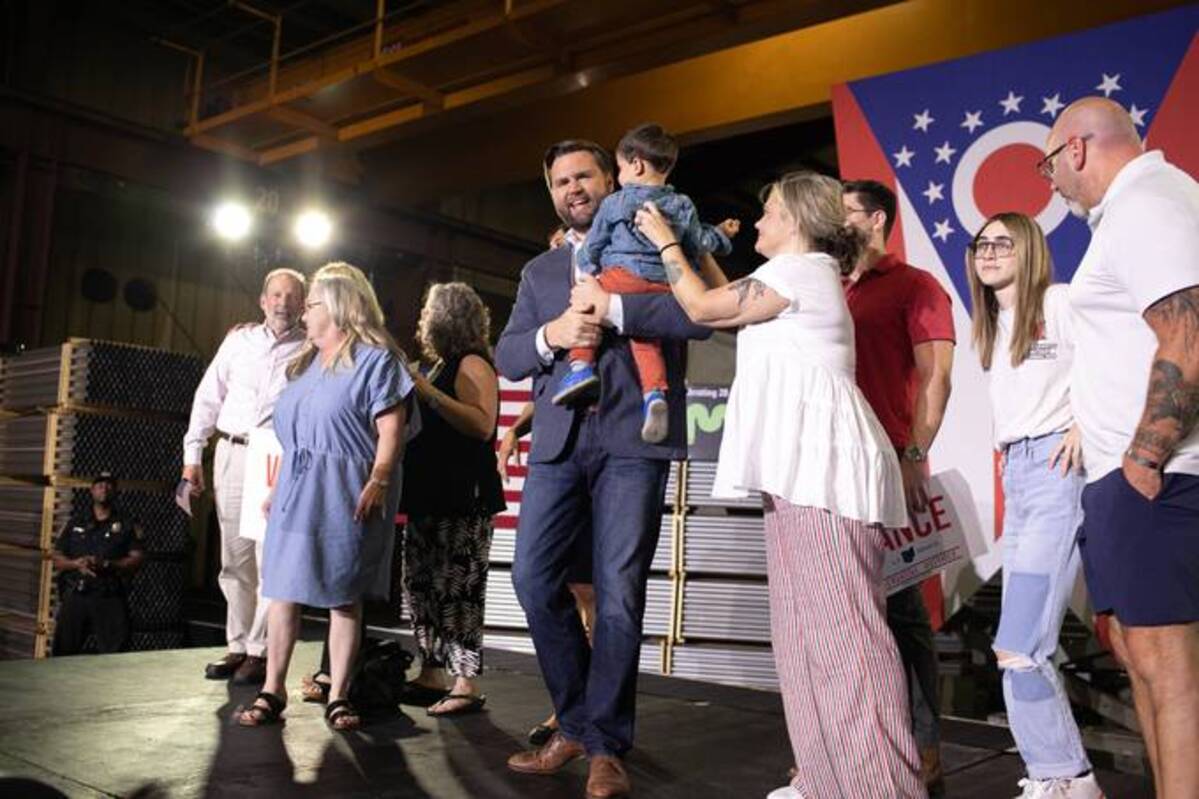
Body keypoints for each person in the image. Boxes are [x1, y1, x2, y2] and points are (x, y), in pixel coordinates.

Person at [634, 171, 924, 799]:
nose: (758, 221)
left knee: (846, 641)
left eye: (767, 210)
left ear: (794, 217)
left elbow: (705, 307)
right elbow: (724, 295)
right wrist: (693, 246)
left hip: (824, 476)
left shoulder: (801, 273)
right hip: (798, 476)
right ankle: (822, 779)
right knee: (802, 637)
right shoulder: (792, 278)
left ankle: (883, 789)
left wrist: (665, 242)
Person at [496, 139, 711, 799]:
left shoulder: (661, 236)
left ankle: (604, 747)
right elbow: (507, 354)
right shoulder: (539, 272)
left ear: (612, 176)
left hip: (631, 442)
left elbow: (697, 318)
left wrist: (615, 309)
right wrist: (549, 336)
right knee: (533, 580)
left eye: (583, 175)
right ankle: (579, 717)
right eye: (559, 180)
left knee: (618, 594)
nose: (572, 188)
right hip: (559, 443)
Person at [1045, 96, 1199, 799]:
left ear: (1075, 148)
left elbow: (1189, 334)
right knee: (1142, 658)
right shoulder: (1128, 214)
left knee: (1169, 669)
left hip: (1161, 476)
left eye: (1049, 162)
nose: (1049, 179)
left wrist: (1143, 456)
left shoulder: (1148, 202)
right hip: (1128, 478)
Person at [237, 262, 413, 732]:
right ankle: (272, 689)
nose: (303, 312)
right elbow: (295, 438)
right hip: (296, 488)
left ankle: (338, 693)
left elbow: (390, 430)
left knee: (343, 593)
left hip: (346, 490)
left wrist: (377, 479)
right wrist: (276, 489)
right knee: (283, 590)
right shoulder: (305, 362)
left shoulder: (378, 361)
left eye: (311, 303)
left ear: (335, 308)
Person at [966, 212, 1104, 799]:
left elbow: (1124, 356)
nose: (989, 252)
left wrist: (1087, 424)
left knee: (1021, 645)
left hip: (1056, 469)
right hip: (1020, 474)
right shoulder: (993, 323)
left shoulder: (1064, 302)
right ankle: (1057, 775)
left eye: (1003, 243)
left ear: (1029, 251)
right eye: (982, 244)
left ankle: (1065, 778)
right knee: (1015, 646)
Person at [841, 179, 955, 793]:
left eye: (847, 212)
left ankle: (923, 743)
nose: (836, 222)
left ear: (876, 218)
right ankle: (852, 740)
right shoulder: (826, 283)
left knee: (904, 611)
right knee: (847, 611)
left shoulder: (916, 286)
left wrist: (914, 454)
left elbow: (938, 377)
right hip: (831, 471)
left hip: (891, 465)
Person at [553, 123, 735, 446]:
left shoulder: (617, 202)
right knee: (643, 332)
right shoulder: (682, 204)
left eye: (620, 167)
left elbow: (594, 243)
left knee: (584, 301)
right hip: (666, 285)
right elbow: (699, 242)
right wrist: (721, 234)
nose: (621, 175)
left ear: (635, 165)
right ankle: (654, 394)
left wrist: (587, 266)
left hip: (622, 278)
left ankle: (581, 366)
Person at [182, 267, 306, 684]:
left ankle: (260, 649)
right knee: (233, 557)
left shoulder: (310, 348)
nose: (282, 302)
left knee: (268, 556)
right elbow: (208, 395)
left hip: (275, 454)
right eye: (276, 295)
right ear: (262, 300)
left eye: (291, 296)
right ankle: (237, 644)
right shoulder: (239, 340)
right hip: (231, 451)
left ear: (303, 303)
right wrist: (192, 455)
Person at [398, 281, 506, 716]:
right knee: (422, 583)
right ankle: (433, 671)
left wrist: (426, 391)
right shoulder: (442, 363)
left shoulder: (473, 362)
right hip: (432, 492)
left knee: (459, 589)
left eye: (428, 309)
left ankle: (465, 682)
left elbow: (482, 425)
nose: (423, 316)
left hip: (464, 496)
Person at [497, 399, 598, 745]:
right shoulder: (554, 350)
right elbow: (548, 394)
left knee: (591, 593)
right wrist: (514, 430)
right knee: (549, 585)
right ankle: (571, 708)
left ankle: (590, 710)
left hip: (602, 470)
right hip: (560, 469)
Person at [51, 472, 145, 655]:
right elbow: (57, 557)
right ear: (92, 490)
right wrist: (76, 564)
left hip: (109, 595)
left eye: (109, 485)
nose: (104, 488)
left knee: (114, 656)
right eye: (99, 484)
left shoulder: (126, 524)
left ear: (115, 491)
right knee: (62, 654)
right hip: (77, 594)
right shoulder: (75, 522)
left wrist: (108, 564)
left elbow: (137, 558)